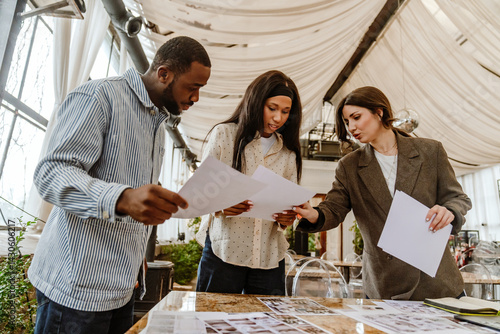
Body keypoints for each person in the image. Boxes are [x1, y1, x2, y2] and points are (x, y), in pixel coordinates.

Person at [28, 36, 211, 333]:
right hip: (76, 292)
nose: (196, 98)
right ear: (164, 73)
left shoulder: (158, 127)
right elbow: (51, 173)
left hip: (123, 288)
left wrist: (137, 254)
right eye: (193, 87)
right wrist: (122, 198)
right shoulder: (99, 97)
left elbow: (137, 198)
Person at [293, 86, 472, 301]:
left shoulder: (430, 151)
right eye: (347, 121)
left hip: (436, 280)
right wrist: (313, 214)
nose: (351, 127)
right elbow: (334, 208)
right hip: (385, 283)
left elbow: (458, 198)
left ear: (379, 112)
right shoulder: (349, 166)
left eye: (356, 117)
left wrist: (450, 210)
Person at [195, 70, 302, 295]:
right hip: (224, 251)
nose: (278, 118)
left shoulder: (288, 153)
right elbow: (199, 192)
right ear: (255, 102)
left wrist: (287, 218)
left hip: (269, 257)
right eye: (272, 108)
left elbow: (289, 208)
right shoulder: (224, 135)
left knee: (267, 327)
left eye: (285, 111)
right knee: (213, 324)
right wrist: (221, 205)